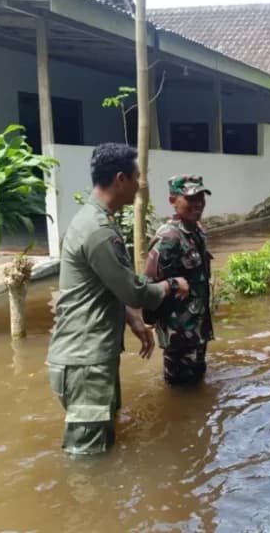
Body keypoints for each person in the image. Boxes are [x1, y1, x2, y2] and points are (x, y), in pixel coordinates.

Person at [47, 143, 189, 456]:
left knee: (103, 447)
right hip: (85, 362)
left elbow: (103, 287)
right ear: (120, 179)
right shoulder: (98, 231)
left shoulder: (93, 220)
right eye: (137, 177)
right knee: (88, 459)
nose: (140, 184)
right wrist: (170, 285)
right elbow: (135, 292)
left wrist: (131, 318)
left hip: (88, 358)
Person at [144, 175, 214, 387]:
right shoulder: (169, 238)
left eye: (201, 197)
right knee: (181, 389)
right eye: (191, 198)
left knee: (197, 384)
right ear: (172, 200)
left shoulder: (197, 231)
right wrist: (150, 324)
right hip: (179, 334)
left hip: (198, 328)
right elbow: (148, 287)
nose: (198, 203)